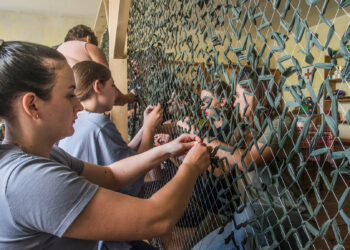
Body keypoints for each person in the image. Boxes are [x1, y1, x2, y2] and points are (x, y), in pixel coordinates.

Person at [0, 40, 211, 250]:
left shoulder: (46, 154)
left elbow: (110, 174)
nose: (77, 104)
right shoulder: (29, 180)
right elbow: (158, 220)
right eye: (69, 95)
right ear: (32, 105)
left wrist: (165, 149)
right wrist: (191, 167)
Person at [193, 68, 311, 249]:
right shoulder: (243, 128)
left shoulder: (281, 123)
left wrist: (213, 143)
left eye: (238, 96)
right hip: (252, 218)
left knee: (245, 215)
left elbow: (247, 161)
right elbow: (222, 170)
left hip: (289, 218)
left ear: (255, 94)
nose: (234, 104)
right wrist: (193, 151)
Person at [59, 61, 161, 198]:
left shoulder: (77, 121)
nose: (115, 92)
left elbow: (120, 157)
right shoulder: (98, 123)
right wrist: (150, 128)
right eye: (112, 85)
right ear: (98, 86)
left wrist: (144, 126)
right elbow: (135, 173)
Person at [57, 24, 135, 105]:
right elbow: (107, 82)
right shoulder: (88, 46)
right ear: (88, 38)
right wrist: (130, 97)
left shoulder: (59, 51)